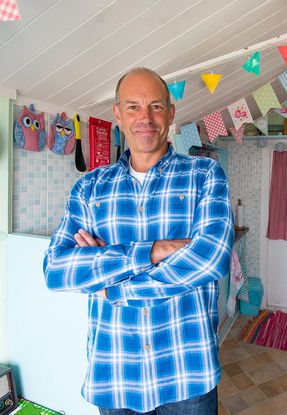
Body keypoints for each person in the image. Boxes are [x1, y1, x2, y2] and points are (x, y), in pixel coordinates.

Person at [43, 67, 234, 415]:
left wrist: (114, 287)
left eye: (156, 107)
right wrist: (155, 251)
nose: (145, 118)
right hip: (115, 371)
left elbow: (211, 260)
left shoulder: (205, 174)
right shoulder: (90, 187)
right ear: (117, 113)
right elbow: (55, 270)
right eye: (133, 107)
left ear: (171, 113)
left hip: (187, 372)